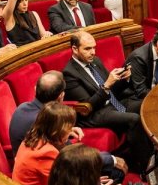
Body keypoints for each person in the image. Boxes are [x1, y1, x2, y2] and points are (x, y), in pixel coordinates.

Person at [62, 31, 149, 168]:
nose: (93, 52)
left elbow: (112, 90)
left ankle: (155, 153)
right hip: (94, 114)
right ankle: (145, 166)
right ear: (74, 49)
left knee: (146, 105)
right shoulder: (69, 73)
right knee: (133, 119)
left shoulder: (95, 61)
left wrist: (123, 79)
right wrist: (107, 85)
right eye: (87, 48)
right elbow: (88, 107)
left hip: (112, 103)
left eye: (94, 48)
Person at [12, 102, 78, 185]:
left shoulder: (32, 138)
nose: (71, 131)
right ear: (56, 131)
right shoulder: (47, 153)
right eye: (69, 128)